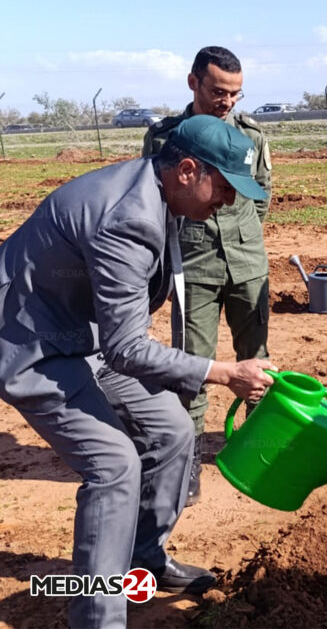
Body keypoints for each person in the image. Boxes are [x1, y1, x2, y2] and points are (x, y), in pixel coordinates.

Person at [0, 114, 276, 628]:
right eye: (224, 187)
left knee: (171, 429)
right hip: (30, 337)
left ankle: (143, 561)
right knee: (113, 467)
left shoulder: (163, 191)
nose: (230, 202)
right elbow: (129, 347)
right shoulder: (127, 219)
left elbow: (122, 335)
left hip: (87, 333)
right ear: (188, 170)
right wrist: (222, 372)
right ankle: (98, 618)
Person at [143, 46, 272, 506]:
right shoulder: (166, 138)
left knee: (257, 360)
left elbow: (259, 197)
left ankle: (259, 453)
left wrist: (241, 234)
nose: (228, 102)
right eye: (219, 91)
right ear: (193, 82)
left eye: (236, 93)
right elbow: (158, 197)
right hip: (192, 265)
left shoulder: (253, 135)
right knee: (193, 365)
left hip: (248, 261)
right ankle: (189, 461)